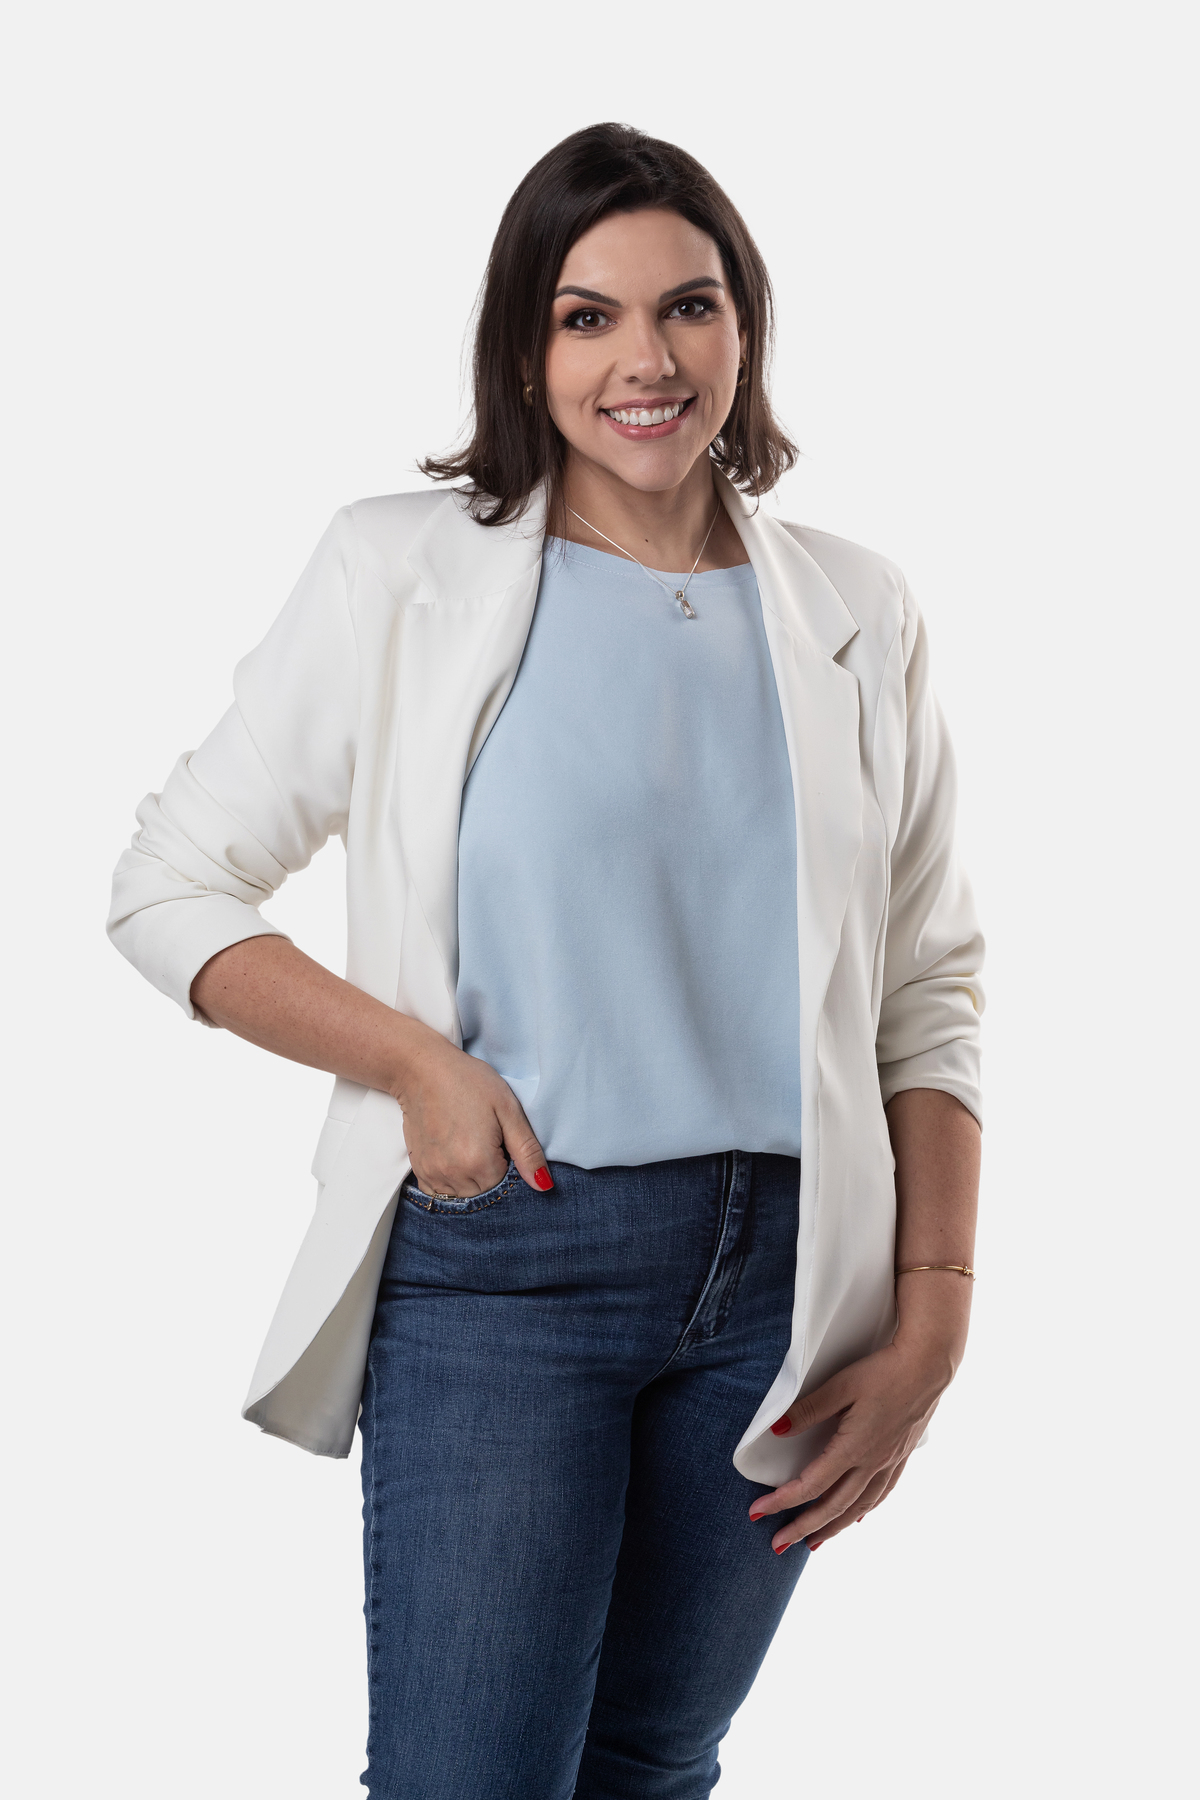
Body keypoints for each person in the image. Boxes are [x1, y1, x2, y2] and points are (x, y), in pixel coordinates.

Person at [108, 122, 984, 1800]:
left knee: (650, 1763)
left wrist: (934, 1315)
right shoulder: (400, 571)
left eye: (689, 307)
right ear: (526, 345)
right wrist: (416, 1068)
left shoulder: (858, 608)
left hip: (791, 1284)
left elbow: (928, 990)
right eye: (589, 317)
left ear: (745, 328)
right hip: (512, 1260)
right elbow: (170, 888)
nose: (645, 360)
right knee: (474, 1776)